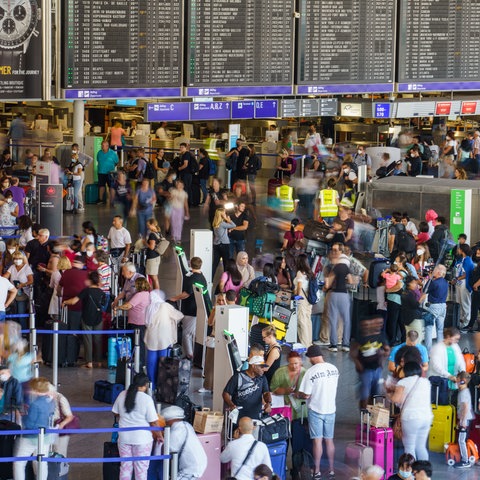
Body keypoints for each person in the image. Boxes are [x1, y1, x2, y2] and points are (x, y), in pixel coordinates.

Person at [298, 345, 339, 480]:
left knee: (317, 441)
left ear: (312, 357)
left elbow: (306, 395)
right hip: (330, 409)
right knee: (329, 441)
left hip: (316, 410)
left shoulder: (311, 372)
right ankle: (332, 470)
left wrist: (297, 394)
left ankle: (317, 471)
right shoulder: (334, 369)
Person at [112, 373, 162, 480]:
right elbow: (153, 422)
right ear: (145, 385)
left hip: (124, 438)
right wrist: (159, 435)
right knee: (141, 471)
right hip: (142, 440)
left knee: (125, 468)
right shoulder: (147, 399)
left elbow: (115, 412)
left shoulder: (122, 394)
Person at [13, 377, 55, 480]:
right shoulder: (50, 401)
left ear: (36, 390)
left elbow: (29, 423)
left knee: (19, 463)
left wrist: (23, 416)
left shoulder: (35, 404)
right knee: (41, 463)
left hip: (31, 437)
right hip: (45, 436)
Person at [389, 361, 433, 461]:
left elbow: (396, 399)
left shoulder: (403, 382)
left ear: (406, 371)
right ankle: (424, 473)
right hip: (426, 417)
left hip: (411, 418)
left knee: (409, 447)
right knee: (421, 446)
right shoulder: (426, 382)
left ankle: (411, 475)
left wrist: (389, 393)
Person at [62, 270, 104, 369]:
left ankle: (89, 362)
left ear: (90, 280)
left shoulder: (86, 291)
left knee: (88, 340)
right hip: (99, 317)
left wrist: (65, 302)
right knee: (98, 340)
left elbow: (73, 301)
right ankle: (98, 362)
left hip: (87, 317)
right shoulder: (101, 292)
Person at [144, 290, 183, 392]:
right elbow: (179, 315)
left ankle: (151, 386)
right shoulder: (165, 306)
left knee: (151, 361)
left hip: (151, 337)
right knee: (163, 361)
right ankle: (161, 385)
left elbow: (146, 322)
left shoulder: (149, 307)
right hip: (163, 337)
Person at [169, 257, 207, 360]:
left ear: (191, 264)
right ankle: (191, 354)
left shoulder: (192, 278)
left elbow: (186, 294)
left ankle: (190, 355)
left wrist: (174, 298)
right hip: (197, 309)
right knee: (192, 333)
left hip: (190, 309)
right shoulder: (202, 277)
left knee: (186, 333)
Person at [350, 316, 390, 409]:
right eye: (376, 323)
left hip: (377, 369)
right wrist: (358, 363)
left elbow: (387, 350)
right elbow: (352, 353)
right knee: (365, 394)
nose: (379, 325)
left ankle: (372, 414)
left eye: (381, 323)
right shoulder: (360, 338)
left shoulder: (381, 336)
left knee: (375, 393)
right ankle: (363, 414)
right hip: (365, 370)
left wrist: (382, 357)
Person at [161, 405, 207, 480]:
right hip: (198, 463)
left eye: (166, 421)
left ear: (170, 420)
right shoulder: (186, 425)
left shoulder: (177, 432)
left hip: (191, 469)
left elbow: (167, 451)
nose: (165, 423)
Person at [114, 277, 151, 367]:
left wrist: (117, 307)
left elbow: (128, 305)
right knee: (140, 343)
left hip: (137, 322)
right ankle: (140, 361)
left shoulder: (140, 295)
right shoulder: (147, 294)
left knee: (138, 343)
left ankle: (140, 362)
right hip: (142, 321)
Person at [223, 355, 272, 421]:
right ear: (253, 366)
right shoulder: (238, 377)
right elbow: (226, 393)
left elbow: (266, 393)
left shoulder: (262, 378)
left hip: (255, 417)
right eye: (261, 367)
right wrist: (231, 405)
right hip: (239, 417)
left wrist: (268, 403)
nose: (263, 369)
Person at [325, 246, 352, 352]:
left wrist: (327, 280)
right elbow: (350, 281)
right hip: (344, 294)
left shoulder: (334, 268)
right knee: (346, 320)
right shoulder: (346, 268)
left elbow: (328, 285)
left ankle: (334, 345)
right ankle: (345, 344)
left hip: (334, 294)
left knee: (333, 320)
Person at [270, 351, 306, 420]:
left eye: (296, 363)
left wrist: (300, 394)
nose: (294, 366)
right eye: (291, 364)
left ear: (300, 361)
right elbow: (273, 388)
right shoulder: (280, 372)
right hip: (283, 405)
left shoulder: (305, 372)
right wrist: (285, 390)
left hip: (300, 407)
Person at [4, 251, 33, 324]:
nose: (17, 260)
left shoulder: (27, 268)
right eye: (15, 259)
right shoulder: (12, 267)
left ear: (22, 259)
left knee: (20, 313)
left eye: (19, 258)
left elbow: (31, 281)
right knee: (13, 313)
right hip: (12, 293)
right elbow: (5, 277)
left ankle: (24, 332)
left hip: (23, 293)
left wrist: (23, 285)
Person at [424, 264, 448, 350]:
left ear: (438, 272)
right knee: (440, 330)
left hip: (433, 307)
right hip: (443, 307)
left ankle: (428, 351)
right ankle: (440, 350)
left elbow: (425, 290)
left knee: (428, 329)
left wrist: (430, 278)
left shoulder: (434, 283)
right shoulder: (446, 282)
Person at [454, 371, 474, 469]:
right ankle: (464, 459)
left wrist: (462, 421)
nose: (456, 382)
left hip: (465, 420)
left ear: (463, 381)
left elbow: (465, 407)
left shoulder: (464, 392)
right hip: (464, 419)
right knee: (462, 440)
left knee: (461, 440)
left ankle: (465, 461)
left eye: (457, 380)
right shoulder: (463, 392)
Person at [452, 243, 474, 330]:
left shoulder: (468, 260)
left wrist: (456, 279)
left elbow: (466, 274)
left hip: (465, 283)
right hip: (459, 282)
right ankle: (460, 320)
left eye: (459, 249)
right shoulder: (461, 259)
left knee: (465, 302)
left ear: (462, 250)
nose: (458, 250)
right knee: (459, 302)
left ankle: (466, 321)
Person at [294, 254, 314, 347]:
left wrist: (296, 296)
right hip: (309, 298)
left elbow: (299, 287)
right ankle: (309, 342)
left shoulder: (300, 273)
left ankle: (305, 344)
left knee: (302, 321)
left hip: (302, 298)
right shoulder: (310, 272)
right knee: (307, 320)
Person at [212, 207, 236, 277]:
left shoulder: (215, 223)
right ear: (222, 215)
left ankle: (211, 280)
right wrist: (227, 219)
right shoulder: (222, 224)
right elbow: (234, 225)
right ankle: (226, 280)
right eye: (224, 213)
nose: (225, 214)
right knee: (226, 263)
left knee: (215, 263)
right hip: (224, 244)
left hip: (216, 244)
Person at [167, 178, 189, 244]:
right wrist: (171, 198)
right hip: (173, 208)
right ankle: (173, 236)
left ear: (183, 185)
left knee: (179, 224)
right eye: (178, 184)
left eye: (180, 184)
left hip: (180, 209)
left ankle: (178, 237)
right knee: (173, 223)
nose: (179, 186)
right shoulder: (173, 191)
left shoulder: (184, 193)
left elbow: (185, 203)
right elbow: (169, 199)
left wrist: (187, 212)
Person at [96, 140, 118, 204]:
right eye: (102, 145)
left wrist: (110, 167)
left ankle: (112, 200)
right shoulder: (99, 153)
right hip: (101, 172)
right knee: (101, 186)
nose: (102, 147)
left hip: (110, 173)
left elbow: (116, 162)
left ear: (107, 146)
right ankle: (100, 199)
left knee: (111, 186)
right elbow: (98, 160)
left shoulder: (113, 153)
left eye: (104, 146)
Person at [145, 218, 162, 290]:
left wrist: (144, 242)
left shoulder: (152, 234)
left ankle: (156, 294)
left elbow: (151, 247)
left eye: (149, 225)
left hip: (152, 257)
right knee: (155, 277)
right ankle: (156, 293)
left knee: (153, 277)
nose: (148, 227)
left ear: (152, 224)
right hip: (157, 257)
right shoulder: (159, 233)